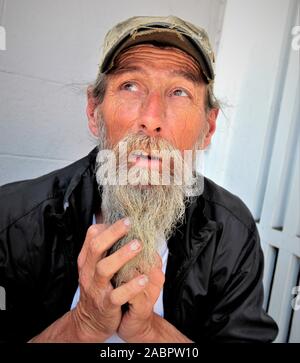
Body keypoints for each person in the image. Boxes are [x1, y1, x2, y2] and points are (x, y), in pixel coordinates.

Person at [0, 15, 278, 343]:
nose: (151, 118)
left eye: (179, 92)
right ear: (94, 111)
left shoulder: (231, 232)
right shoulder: (13, 219)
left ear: (209, 127)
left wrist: (149, 330)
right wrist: (81, 325)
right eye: (130, 85)